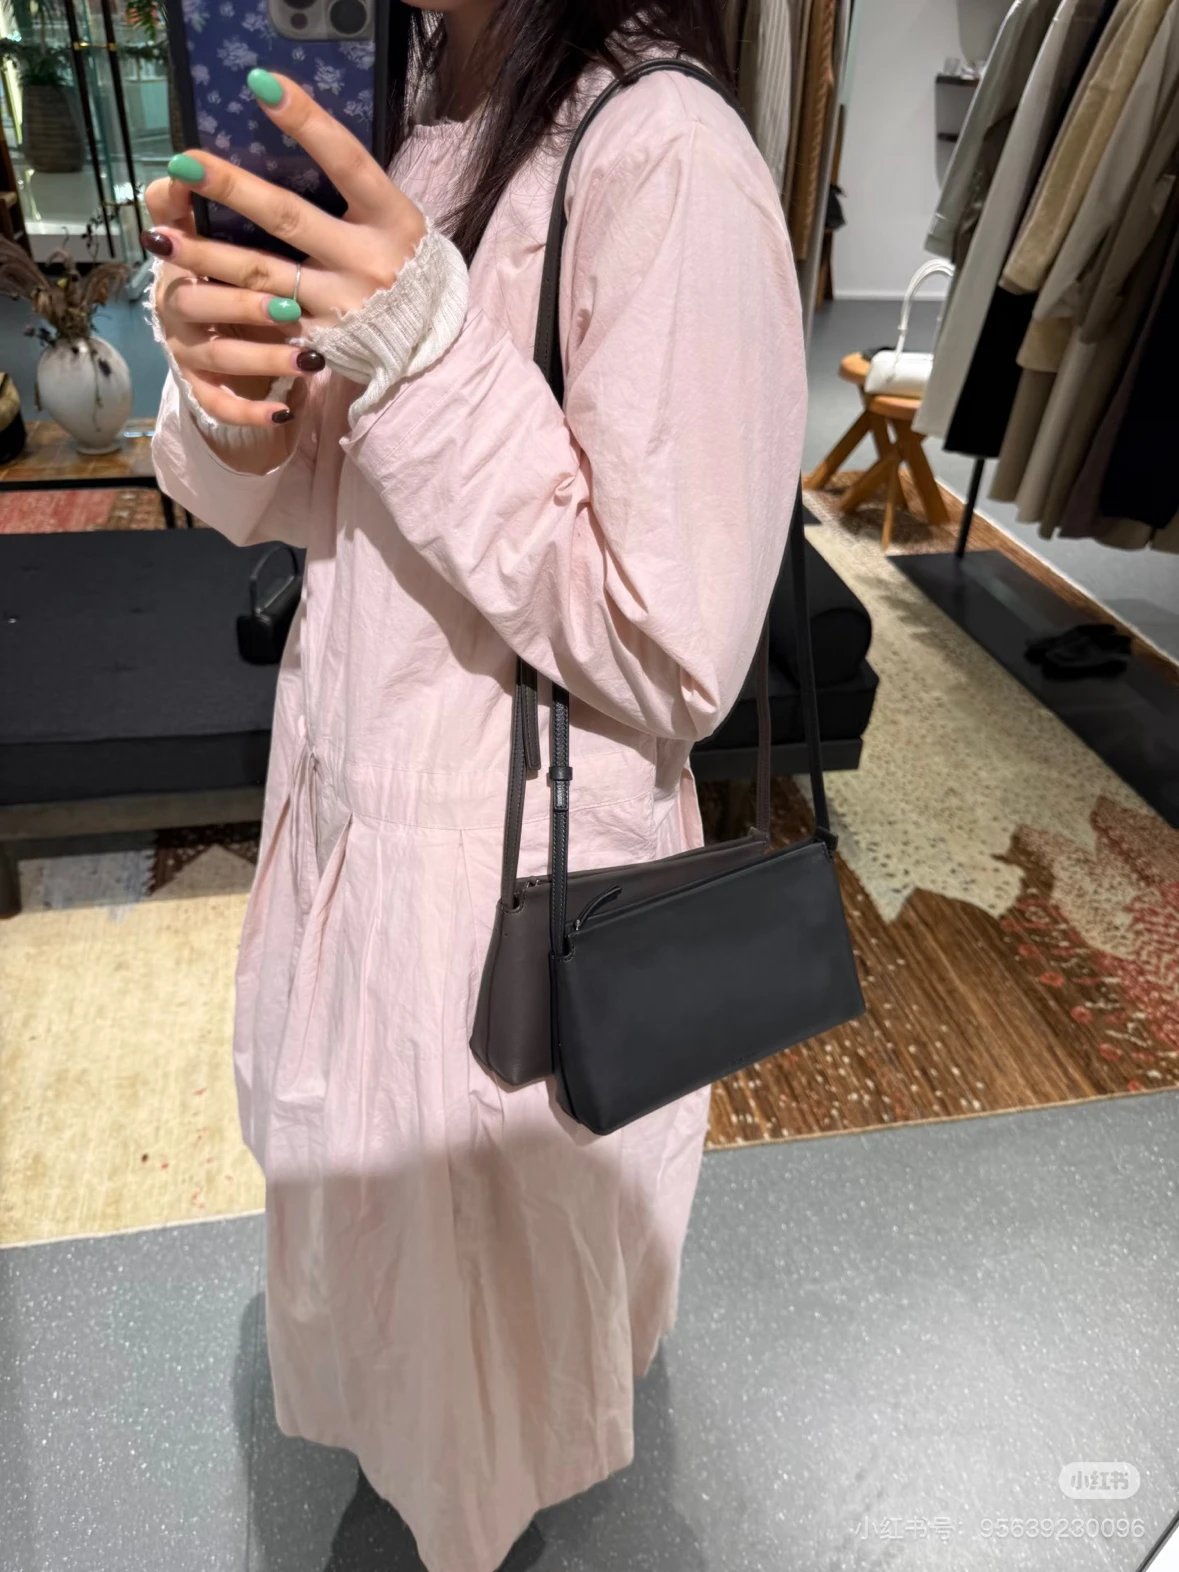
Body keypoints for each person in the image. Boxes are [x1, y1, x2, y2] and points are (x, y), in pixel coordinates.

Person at [146, 3, 805, 1568]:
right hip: (359, 818)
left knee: (490, 1325)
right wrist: (230, 397)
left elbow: (674, 643)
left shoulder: (664, 157)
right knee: (393, 1271)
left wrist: (428, 355)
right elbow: (299, 497)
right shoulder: (412, 102)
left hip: (514, 865)